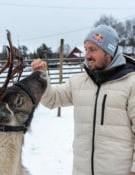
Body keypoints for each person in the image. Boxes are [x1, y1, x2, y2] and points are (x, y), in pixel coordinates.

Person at [31, 25, 135, 175]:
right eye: (86, 49)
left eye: (93, 49)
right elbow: (52, 100)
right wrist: (40, 77)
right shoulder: (79, 82)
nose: (87, 55)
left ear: (109, 52)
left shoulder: (131, 83)